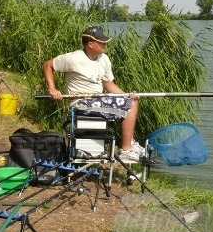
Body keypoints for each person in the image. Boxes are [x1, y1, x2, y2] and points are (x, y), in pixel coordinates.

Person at [43, 26, 144, 161]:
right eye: (101, 42)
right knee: (129, 105)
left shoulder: (104, 59)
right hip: (81, 102)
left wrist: (126, 95)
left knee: (131, 102)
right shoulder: (73, 58)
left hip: (98, 99)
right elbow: (48, 65)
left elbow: (109, 84)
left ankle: (129, 144)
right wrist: (52, 89)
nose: (105, 44)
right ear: (90, 44)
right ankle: (126, 150)